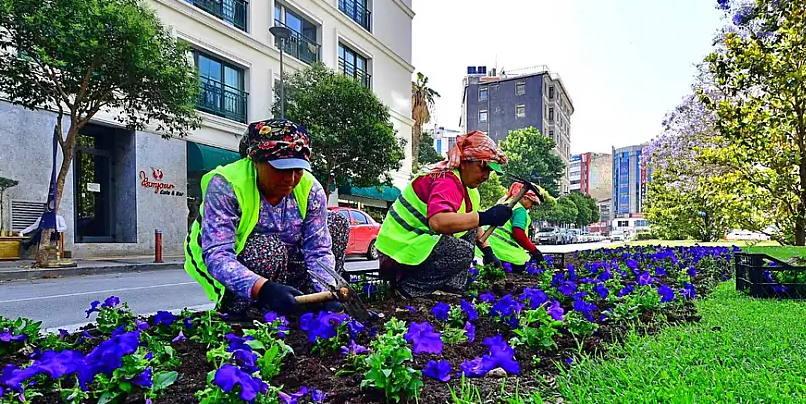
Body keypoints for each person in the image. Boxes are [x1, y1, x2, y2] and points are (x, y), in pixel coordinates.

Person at [184, 119, 350, 319]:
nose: (289, 179)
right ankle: (249, 310)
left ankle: (307, 299)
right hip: (247, 275)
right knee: (268, 249)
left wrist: (328, 289)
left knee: (337, 223)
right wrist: (264, 289)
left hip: (290, 267)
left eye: (297, 170)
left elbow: (318, 250)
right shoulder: (226, 185)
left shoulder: (310, 189)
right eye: (280, 169)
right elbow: (218, 255)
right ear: (256, 161)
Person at [376, 130, 513, 298]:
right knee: (463, 251)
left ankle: (450, 289)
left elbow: (470, 222)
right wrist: (487, 216)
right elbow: (438, 222)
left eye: (490, 172)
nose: (486, 176)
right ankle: (408, 291)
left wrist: (488, 252)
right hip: (397, 250)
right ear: (464, 162)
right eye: (483, 168)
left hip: (414, 245)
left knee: (469, 227)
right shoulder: (446, 179)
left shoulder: (469, 189)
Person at [487, 182, 545, 271]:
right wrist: (534, 251)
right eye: (532, 203)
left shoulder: (503, 203)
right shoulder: (520, 210)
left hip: (486, 249)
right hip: (504, 253)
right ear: (525, 198)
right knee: (526, 265)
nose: (531, 207)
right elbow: (518, 234)